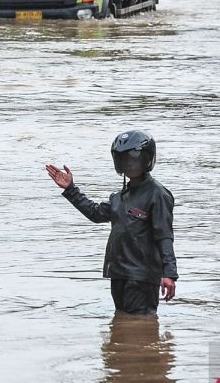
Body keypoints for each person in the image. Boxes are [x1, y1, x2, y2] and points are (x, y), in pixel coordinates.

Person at [46, 130, 178, 315]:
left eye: (133, 158)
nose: (129, 164)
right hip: (118, 274)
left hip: (141, 277)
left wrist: (169, 273)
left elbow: (164, 236)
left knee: (140, 325)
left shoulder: (157, 194)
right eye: (124, 159)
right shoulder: (120, 197)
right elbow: (95, 213)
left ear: (146, 159)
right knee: (121, 325)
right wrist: (71, 189)